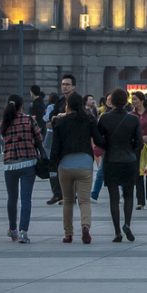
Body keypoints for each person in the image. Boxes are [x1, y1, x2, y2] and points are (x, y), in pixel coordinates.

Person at [95, 88, 143, 241]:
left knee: (113, 198)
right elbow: (140, 143)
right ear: (126, 100)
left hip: (111, 161)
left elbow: (98, 140)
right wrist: (132, 151)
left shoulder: (104, 118)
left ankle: (117, 231)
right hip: (129, 160)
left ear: (112, 101)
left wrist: (107, 144)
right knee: (129, 196)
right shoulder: (134, 119)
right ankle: (127, 224)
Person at [48, 92, 97, 243]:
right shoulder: (89, 120)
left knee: (68, 200)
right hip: (85, 164)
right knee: (84, 201)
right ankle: (85, 227)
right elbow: (99, 139)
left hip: (66, 165)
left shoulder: (60, 122)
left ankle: (68, 234)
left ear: (67, 105)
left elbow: (55, 147)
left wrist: (52, 166)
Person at [0, 95, 40, 243]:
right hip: (28, 163)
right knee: (26, 199)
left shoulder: (5, 122)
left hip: (10, 164)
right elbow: (39, 139)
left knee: (12, 198)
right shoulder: (29, 119)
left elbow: (4, 139)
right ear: (21, 106)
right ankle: (24, 232)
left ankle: (12, 229)